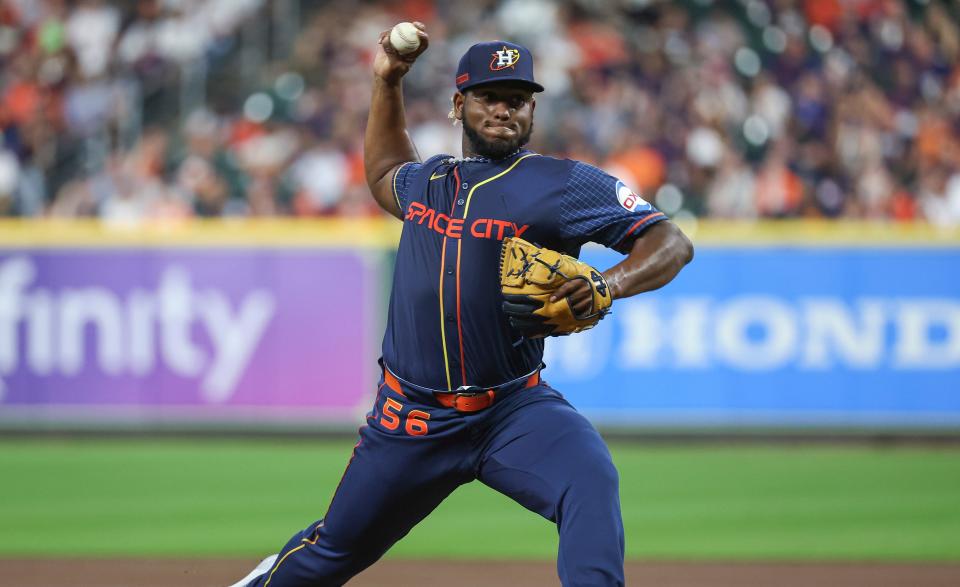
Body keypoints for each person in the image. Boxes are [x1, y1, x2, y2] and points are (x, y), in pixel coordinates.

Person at [231, 23, 693, 587]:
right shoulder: (429, 181)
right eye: (489, 97)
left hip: (513, 411)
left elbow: (670, 241)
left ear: (531, 111)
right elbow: (381, 173)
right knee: (330, 554)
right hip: (411, 421)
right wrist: (388, 81)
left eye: (518, 101)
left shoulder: (563, 184)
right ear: (459, 105)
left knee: (589, 479)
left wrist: (607, 285)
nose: (504, 111)